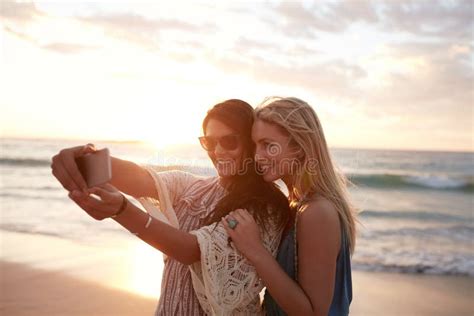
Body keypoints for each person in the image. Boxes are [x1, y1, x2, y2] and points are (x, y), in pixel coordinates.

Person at [50, 99, 290, 315]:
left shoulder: (266, 207)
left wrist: (121, 211)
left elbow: (193, 251)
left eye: (228, 141)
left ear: (250, 143)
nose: (217, 151)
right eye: (209, 142)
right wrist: (84, 159)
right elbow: (141, 178)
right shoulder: (192, 187)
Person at [222, 97, 357, 316]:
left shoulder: (317, 211)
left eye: (268, 145)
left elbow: (314, 312)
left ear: (300, 147)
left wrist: (255, 250)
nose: (257, 156)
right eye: (255, 145)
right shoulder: (297, 205)